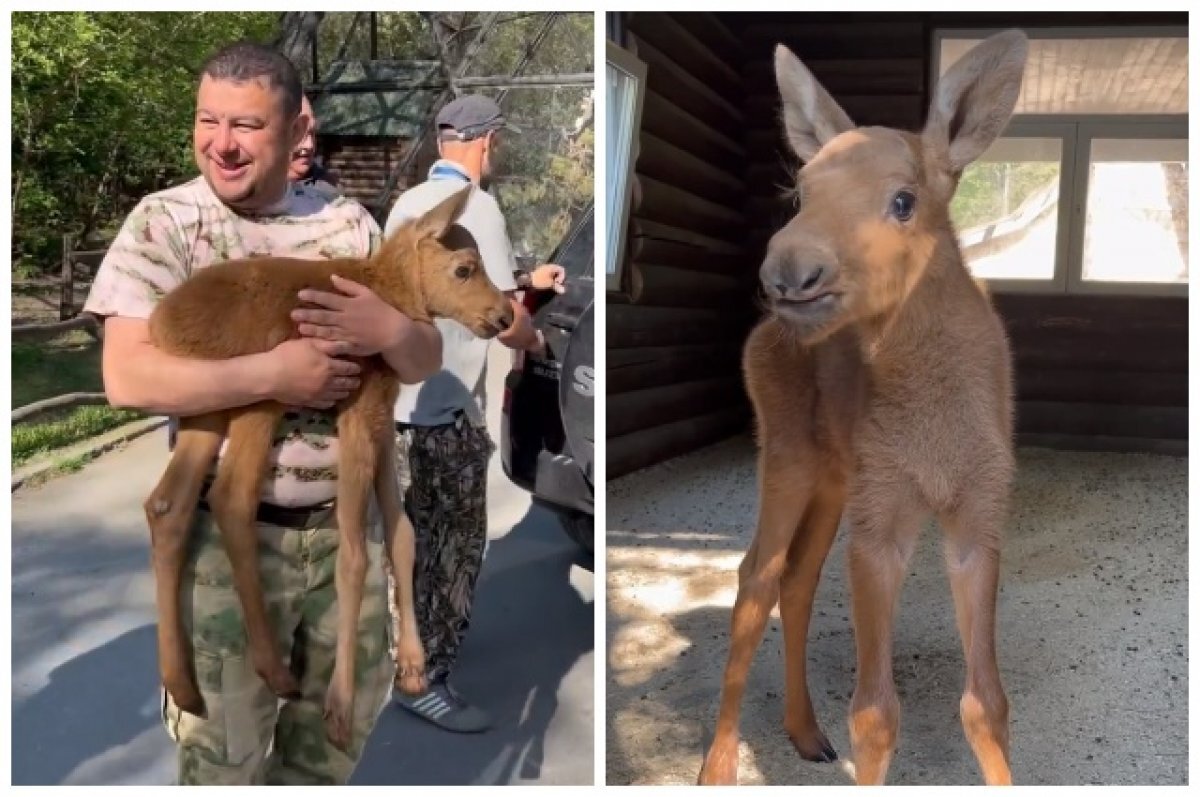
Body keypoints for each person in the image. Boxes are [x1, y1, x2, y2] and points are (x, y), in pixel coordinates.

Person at [84, 41, 441, 785]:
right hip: (230, 543)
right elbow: (126, 374)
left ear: (296, 127)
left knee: (327, 759)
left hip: (344, 539)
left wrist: (396, 332)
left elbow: (419, 360)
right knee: (225, 763)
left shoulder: (348, 224)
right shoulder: (166, 223)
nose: (222, 143)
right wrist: (274, 374)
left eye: (245, 125)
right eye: (208, 120)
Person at [385, 94, 562, 733]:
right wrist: (536, 337)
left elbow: (463, 285)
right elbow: (500, 319)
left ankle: (402, 651)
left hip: (396, 410)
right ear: (487, 143)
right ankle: (426, 681)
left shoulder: (406, 208)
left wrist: (524, 281)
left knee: (406, 541)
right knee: (456, 547)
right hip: (447, 411)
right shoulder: (475, 209)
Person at [288, 94, 340, 202]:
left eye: (312, 133)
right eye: (298, 134)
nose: (309, 145)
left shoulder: (329, 197)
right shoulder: (246, 192)